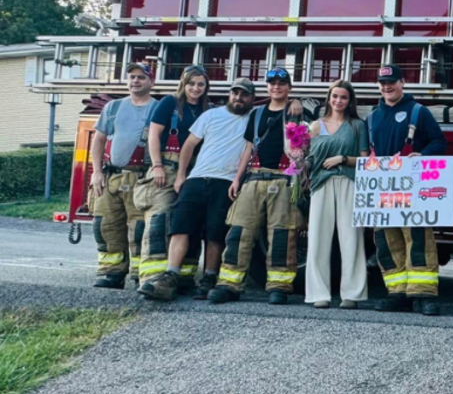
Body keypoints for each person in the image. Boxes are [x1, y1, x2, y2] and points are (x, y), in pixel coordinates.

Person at [137, 80, 255, 301]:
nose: (239, 97)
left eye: (244, 95)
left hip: (226, 182)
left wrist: (237, 180)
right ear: (229, 94)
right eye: (235, 93)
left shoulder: (253, 119)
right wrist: (182, 175)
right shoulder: (210, 115)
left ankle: (209, 278)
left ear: (252, 99)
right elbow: (189, 144)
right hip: (196, 178)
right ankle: (170, 275)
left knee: (215, 232)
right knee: (180, 227)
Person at [210, 68, 309, 305]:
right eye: (272, 83)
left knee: (283, 236)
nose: (277, 87)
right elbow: (248, 148)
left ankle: (279, 287)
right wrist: (237, 179)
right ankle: (229, 285)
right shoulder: (256, 115)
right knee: (239, 232)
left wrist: (300, 176)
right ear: (267, 87)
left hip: (284, 180)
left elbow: (302, 148)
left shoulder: (298, 112)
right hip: (253, 179)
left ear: (289, 88)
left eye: (282, 83)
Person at [366, 65, 447, 316]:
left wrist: (422, 155)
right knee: (387, 241)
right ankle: (397, 292)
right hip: (383, 187)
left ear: (403, 82)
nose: (386, 87)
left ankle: (423, 295)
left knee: (418, 239)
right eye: (382, 82)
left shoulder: (418, 112)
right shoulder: (372, 116)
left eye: (391, 82)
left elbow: (439, 141)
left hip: (413, 185)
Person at [134, 65, 210, 290]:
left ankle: (183, 278)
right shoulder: (169, 103)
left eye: (200, 84)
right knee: (159, 221)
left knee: (189, 222)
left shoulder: (206, 110)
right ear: (183, 84)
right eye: (191, 83)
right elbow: (154, 136)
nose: (195, 88)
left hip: (194, 170)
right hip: (166, 167)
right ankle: (151, 279)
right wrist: (157, 165)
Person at [91, 62, 158, 289]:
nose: (135, 81)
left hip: (140, 178)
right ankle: (112, 273)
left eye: (141, 77)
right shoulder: (113, 107)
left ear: (151, 82)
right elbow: (99, 140)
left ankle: (140, 275)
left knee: (140, 229)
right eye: (132, 77)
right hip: (111, 177)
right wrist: (97, 172)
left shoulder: (158, 109)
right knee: (105, 225)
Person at [305, 80, 370, 310]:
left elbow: (366, 160)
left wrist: (343, 159)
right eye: (335, 96)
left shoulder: (357, 126)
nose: (338, 101)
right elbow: (307, 157)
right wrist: (300, 162)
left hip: (349, 181)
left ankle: (351, 293)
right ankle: (318, 293)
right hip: (320, 183)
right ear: (328, 98)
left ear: (350, 100)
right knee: (318, 238)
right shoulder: (315, 126)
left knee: (351, 238)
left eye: (343, 97)